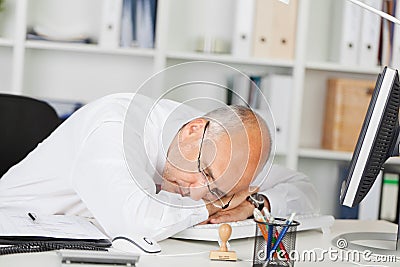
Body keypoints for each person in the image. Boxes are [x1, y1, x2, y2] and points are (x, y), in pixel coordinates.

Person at [0, 93, 318, 241]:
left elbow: (303, 187)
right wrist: (213, 205)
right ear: (194, 129)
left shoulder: (221, 150)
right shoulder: (115, 123)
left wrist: (251, 203)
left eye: (216, 188)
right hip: (18, 244)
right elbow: (135, 221)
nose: (196, 191)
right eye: (204, 172)